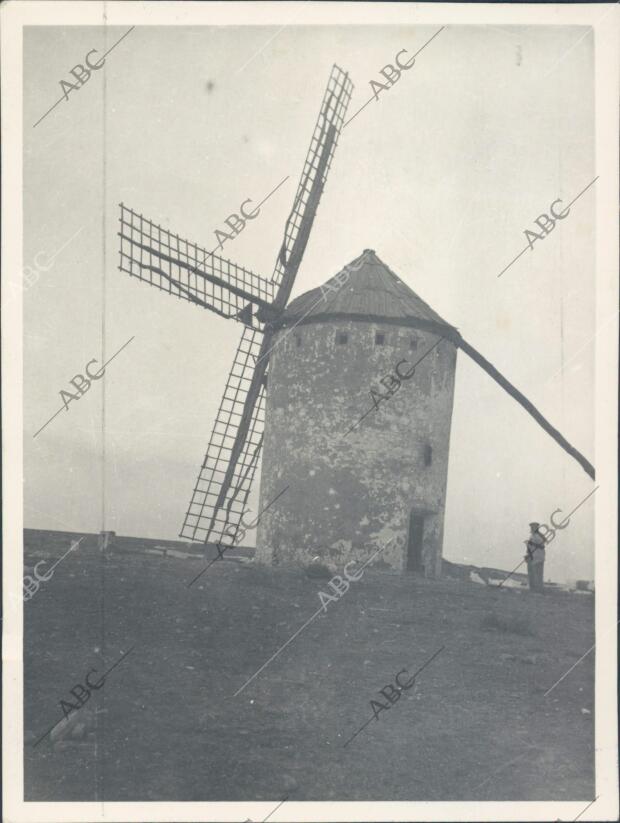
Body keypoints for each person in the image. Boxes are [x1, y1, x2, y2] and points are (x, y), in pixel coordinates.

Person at [524, 522, 546, 593]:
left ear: (537, 528)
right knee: (531, 574)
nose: (532, 528)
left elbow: (542, 546)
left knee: (538, 574)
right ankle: (532, 589)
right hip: (532, 557)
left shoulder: (538, 536)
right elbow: (530, 548)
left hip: (538, 557)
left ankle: (538, 590)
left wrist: (530, 543)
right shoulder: (532, 536)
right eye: (531, 527)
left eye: (533, 527)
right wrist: (527, 555)